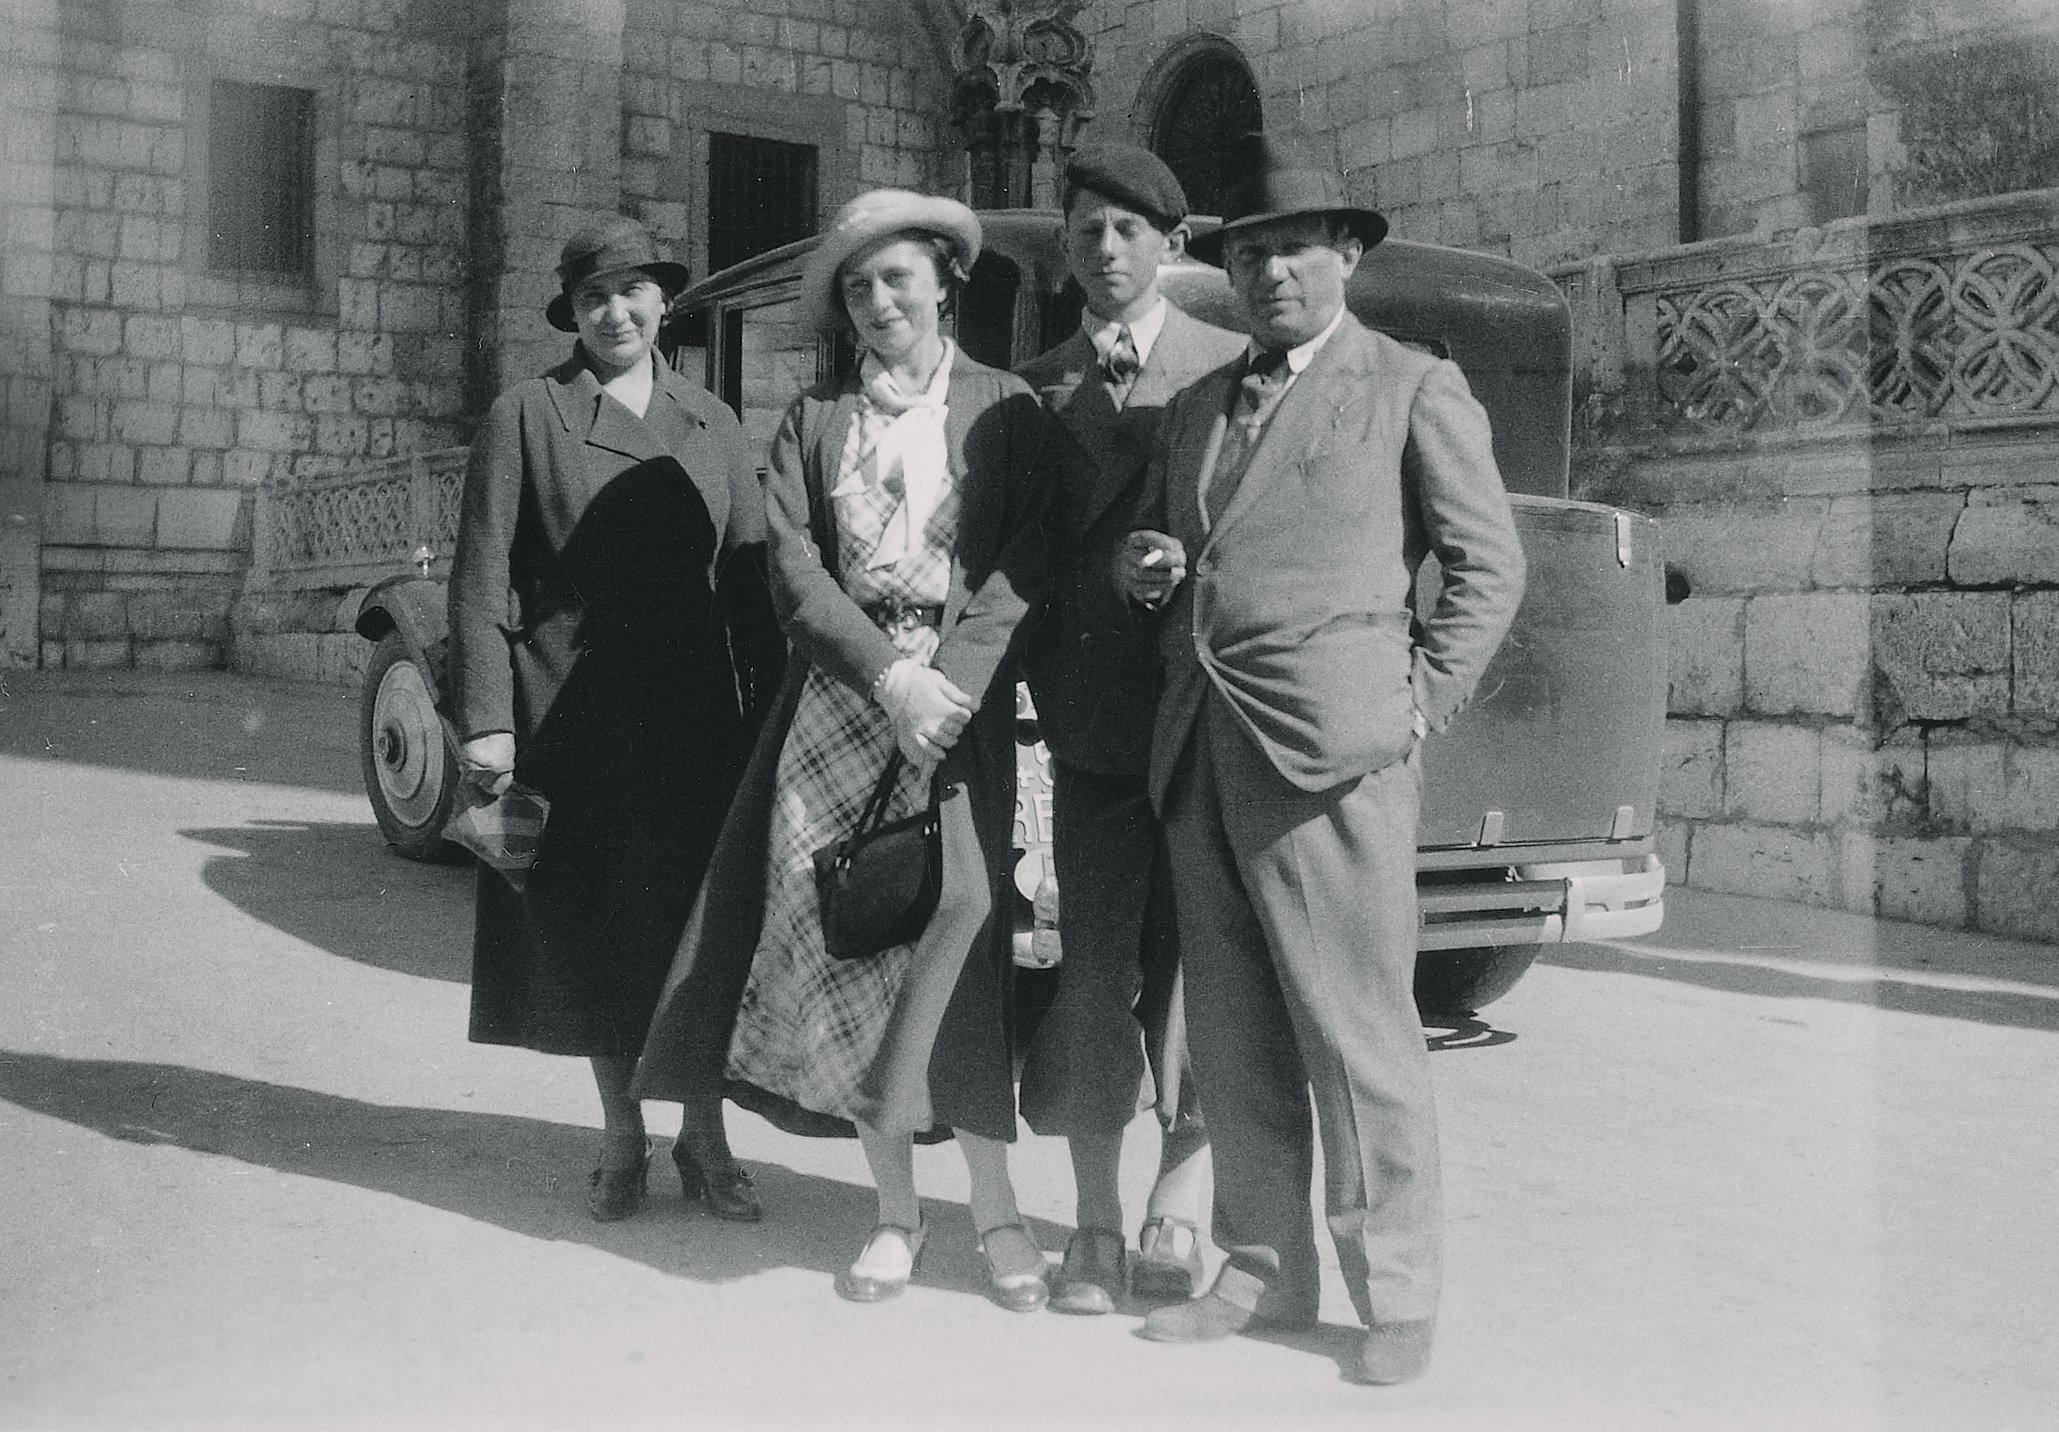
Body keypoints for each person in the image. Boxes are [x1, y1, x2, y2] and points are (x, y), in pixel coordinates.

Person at [1115, 133, 1526, 1384]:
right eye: (1249, 249)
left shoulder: (1409, 384)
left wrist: (1415, 707)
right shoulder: (1193, 405)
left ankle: (1394, 1290)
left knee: (1356, 1037)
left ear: (1346, 254)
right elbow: (1204, 554)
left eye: (1295, 244)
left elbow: (1488, 567)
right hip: (1203, 748)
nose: (1271, 268)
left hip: (1335, 756)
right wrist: (1148, 572)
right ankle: (1266, 1270)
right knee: (1231, 1036)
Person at [633, 190, 1053, 1310]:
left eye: (897, 277)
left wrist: (945, 687)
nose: (878, 302)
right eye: (858, 287)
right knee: (857, 944)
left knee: (957, 931)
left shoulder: (1006, 408)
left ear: (943, 281)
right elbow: (793, 570)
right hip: (841, 707)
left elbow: (1021, 565)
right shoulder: (814, 420)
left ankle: (999, 1214)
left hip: (956, 721)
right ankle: (894, 1216)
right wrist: (889, 676)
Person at [448, 215, 784, 1224]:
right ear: (574, 312)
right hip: (571, 718)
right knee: (595, 931)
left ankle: (706, 1135)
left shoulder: (713, 420)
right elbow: (479, 579)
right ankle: (622, 1134)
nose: (615, 311)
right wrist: (486, 720)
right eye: (594, 297)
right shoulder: (528, 414)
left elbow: (753, 580)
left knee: (701, 932)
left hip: (694, 721)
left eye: (633, 291)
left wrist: (773, 724)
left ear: (663, 302)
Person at [1014, 144, 1243, 1316]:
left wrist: (1184, 564)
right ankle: (1094, 1222)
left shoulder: (1231, 369)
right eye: (1087, 232)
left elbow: (1263, 533)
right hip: (1096, 726)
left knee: (1204, 967)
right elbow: (1018, 561)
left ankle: (1180, 1199)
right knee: (1095, 973)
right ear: (1065, 250)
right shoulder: (1035, 385)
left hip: (1205, 720)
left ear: (1174, 246)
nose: (1106, 252)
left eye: (1129, 233)